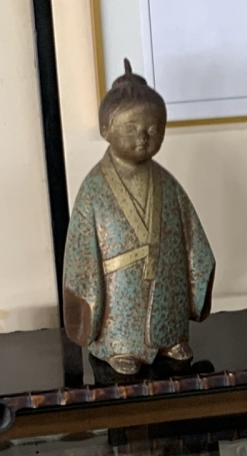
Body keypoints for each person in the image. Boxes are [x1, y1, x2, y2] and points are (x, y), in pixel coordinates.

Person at [63, 60, 216, 376]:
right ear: (106, 130)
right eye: (131, 128)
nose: (143, 137)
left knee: (171, 321)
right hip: (119, 289)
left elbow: (192, 234)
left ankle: (171, 339)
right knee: (122, 325)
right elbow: (81, 253)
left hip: (167, 280)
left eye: (153, 130)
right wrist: (84, 303)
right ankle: (119, 346)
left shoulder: (168, 184)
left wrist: (198, 268)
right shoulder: (94, 188)